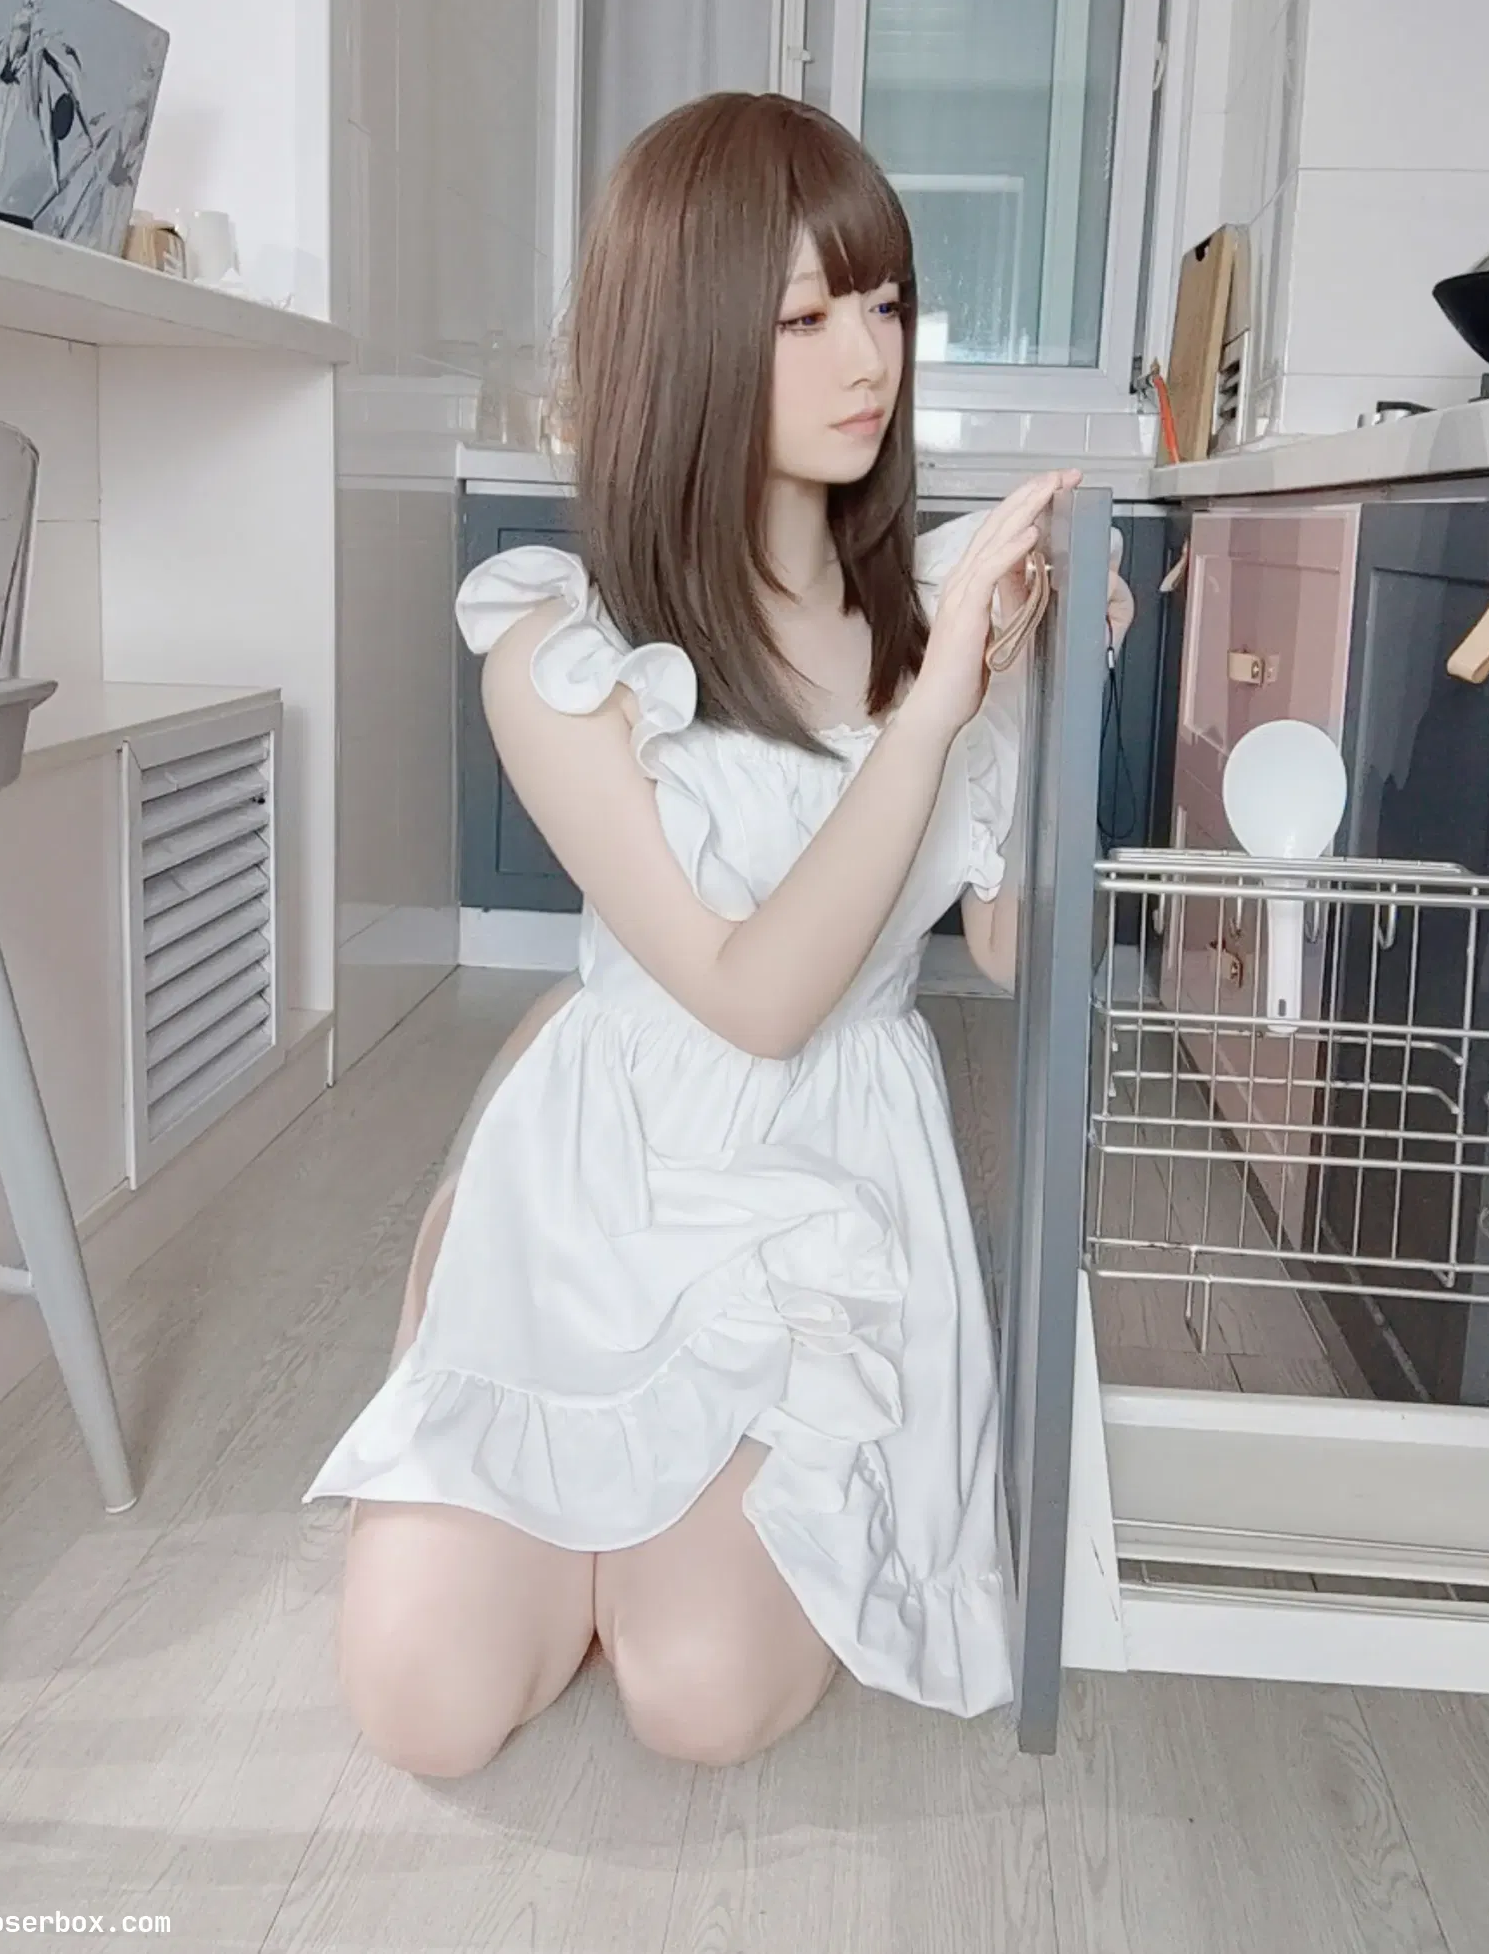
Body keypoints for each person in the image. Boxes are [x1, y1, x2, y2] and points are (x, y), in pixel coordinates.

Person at [303, 91, 1134, 1777]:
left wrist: (1066, 718)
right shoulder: (563, 652)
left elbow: (1002, 948)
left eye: (884, 302)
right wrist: (935, 707)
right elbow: (752, 998)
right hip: (612, 1150)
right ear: (684, 341)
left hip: (828, 1180)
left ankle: (624, 1489)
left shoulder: (951, 612)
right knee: (422, 1704)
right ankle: (476, 1268)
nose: (869, 357)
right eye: (805, 317)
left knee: (697, 1695)